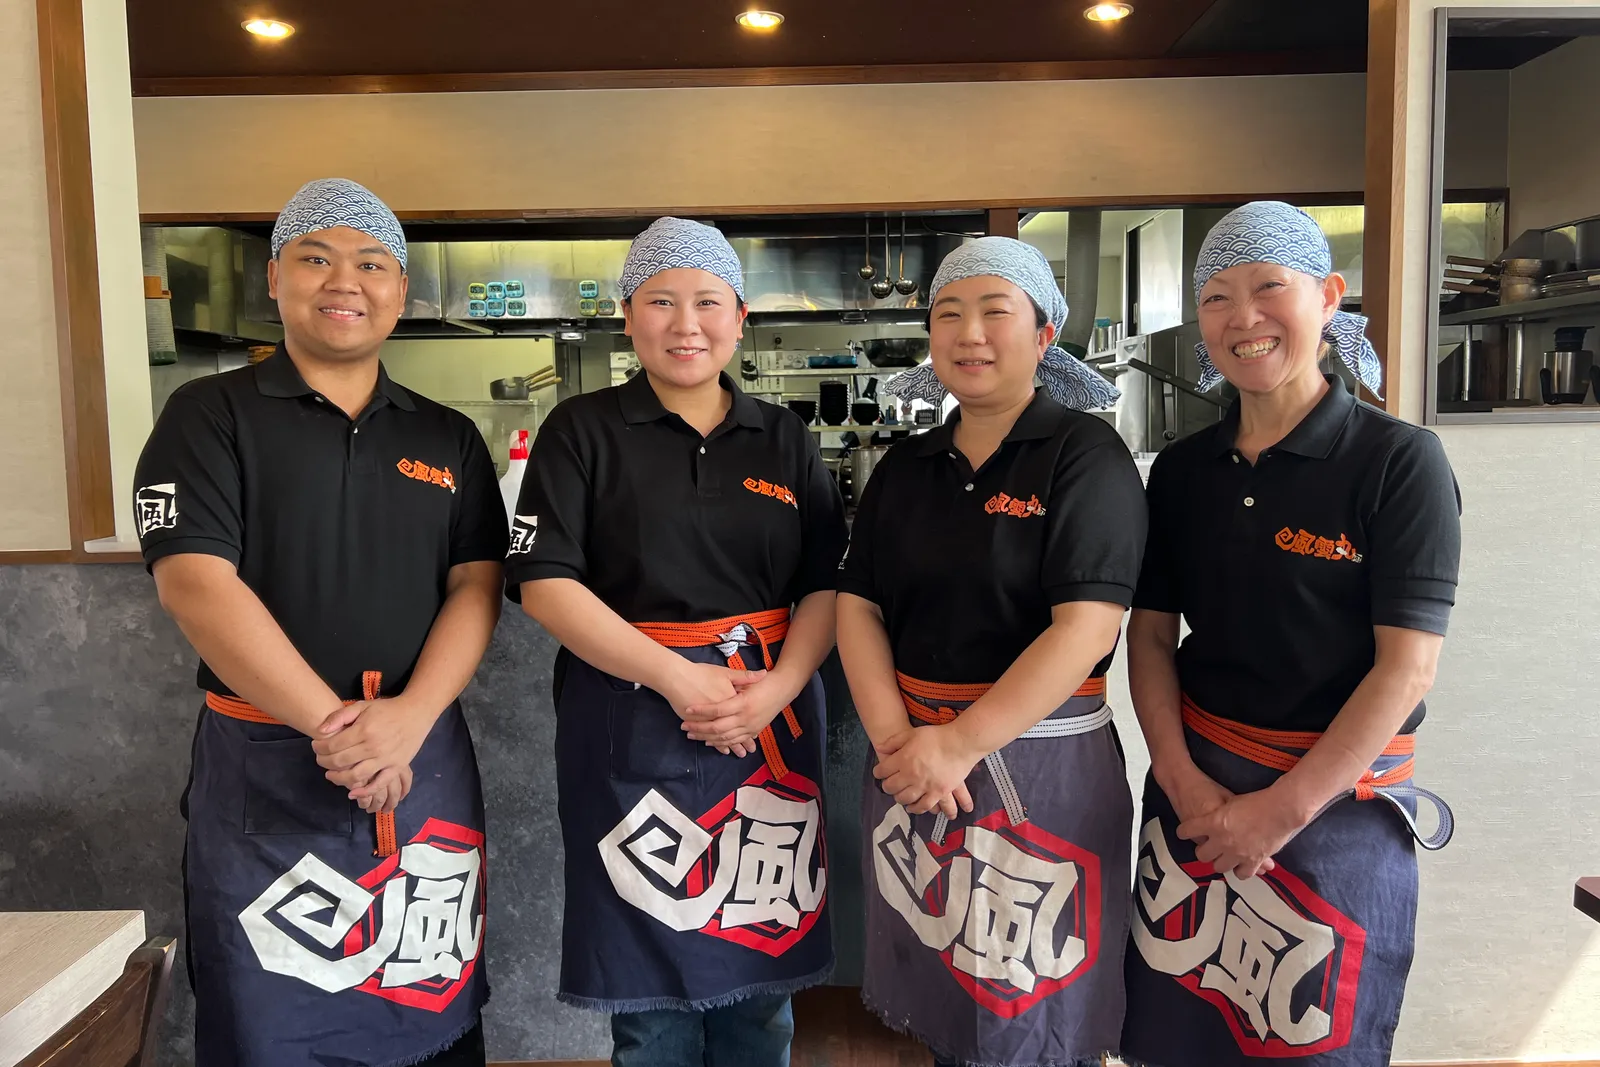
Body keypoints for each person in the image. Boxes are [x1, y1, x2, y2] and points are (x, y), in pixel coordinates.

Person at [133, 178, 505, 1067]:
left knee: (431, 1004)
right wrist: (338, 732)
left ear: (401, 292)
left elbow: (478, 585)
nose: (347, 281)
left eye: (373, 263)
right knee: (270, 1023)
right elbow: (195, 582)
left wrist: (406, 720)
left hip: (421, 759)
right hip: (270, 762)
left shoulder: (447, 435)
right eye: (317, 257)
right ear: (274, 280)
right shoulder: (207, 415)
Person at [1120, 201, 1462, 1067]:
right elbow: (1153, 638)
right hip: (1195, 793)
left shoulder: (1399, 460)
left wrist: (1277, 812)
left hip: (1333, 810)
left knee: (1313, 1042)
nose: (1244, 319)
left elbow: (1406, 670)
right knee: (1176, 1034)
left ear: (1329, 296)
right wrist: (1184, 783)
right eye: (1218, 298)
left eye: (1269, 289)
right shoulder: (1184, 471)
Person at [505, 217, 847, 1067]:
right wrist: (674, 678)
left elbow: (828, 584)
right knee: (648, 988)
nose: (684, 323)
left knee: (759, 973)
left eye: (706, 302)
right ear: (628, 316)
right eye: (661, 301)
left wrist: (777, 686)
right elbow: (545, 583)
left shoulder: (783, 437)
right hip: (629, 716)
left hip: (768, 720)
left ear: (739, 318)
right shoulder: (580, 431)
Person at [838, 237, 1145, 1067]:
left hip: (1039, 772)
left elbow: (1086, 625)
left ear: (1045, 335)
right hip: (917, 768)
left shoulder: (1085, 455)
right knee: (954, 1003)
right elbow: (857, 604)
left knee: (1039, 1008)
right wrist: (899, 742)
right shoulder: (907, 467)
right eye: (949, 315)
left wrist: (957, 745)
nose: (970, 333)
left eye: (994, 312)